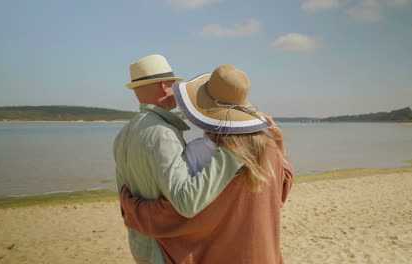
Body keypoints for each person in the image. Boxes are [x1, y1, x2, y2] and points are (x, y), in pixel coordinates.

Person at [119, 65, 294, 264]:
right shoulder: (268, 148)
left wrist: (131, 208)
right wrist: (279, 144)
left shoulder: (198, 153)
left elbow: (178, 214)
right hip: (264, 254)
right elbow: (282, 188)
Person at [114, 56, 245, 264]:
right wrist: (231, 154)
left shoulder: (123, 134)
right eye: (174, 83)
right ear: (164, 86)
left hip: (139, 244)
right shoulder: (163, 133)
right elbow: (186, 202)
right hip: (164, 251)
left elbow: (125, 194)